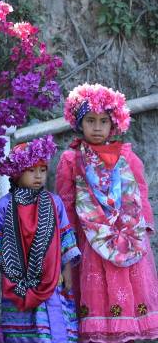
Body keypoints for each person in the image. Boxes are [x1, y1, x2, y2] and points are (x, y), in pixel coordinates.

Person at [56, 83, 158, 342]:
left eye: (104, 121)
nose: (97, 127)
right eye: (90, 121)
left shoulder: (127, 156)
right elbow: (66, 202)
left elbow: (141, 193)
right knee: (97, 290)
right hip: (89, 241)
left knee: (129, 290)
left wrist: (143, 230)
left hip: (129, 238)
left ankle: (128, 332)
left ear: (115, 124)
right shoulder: (71, 159)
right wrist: (66, 242)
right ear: (79, 123)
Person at [0, 136, 80, 342]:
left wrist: (67, 270)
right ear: (17, 173)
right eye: (31, 170)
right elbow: (0, 245)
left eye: (43, 170)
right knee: (22, 329)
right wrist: (10, 276)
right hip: (17, 280)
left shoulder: (54, 203)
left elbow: (65, 238)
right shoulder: (5, 205)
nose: (38, 176)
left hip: (51, 276)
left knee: (53, 323)